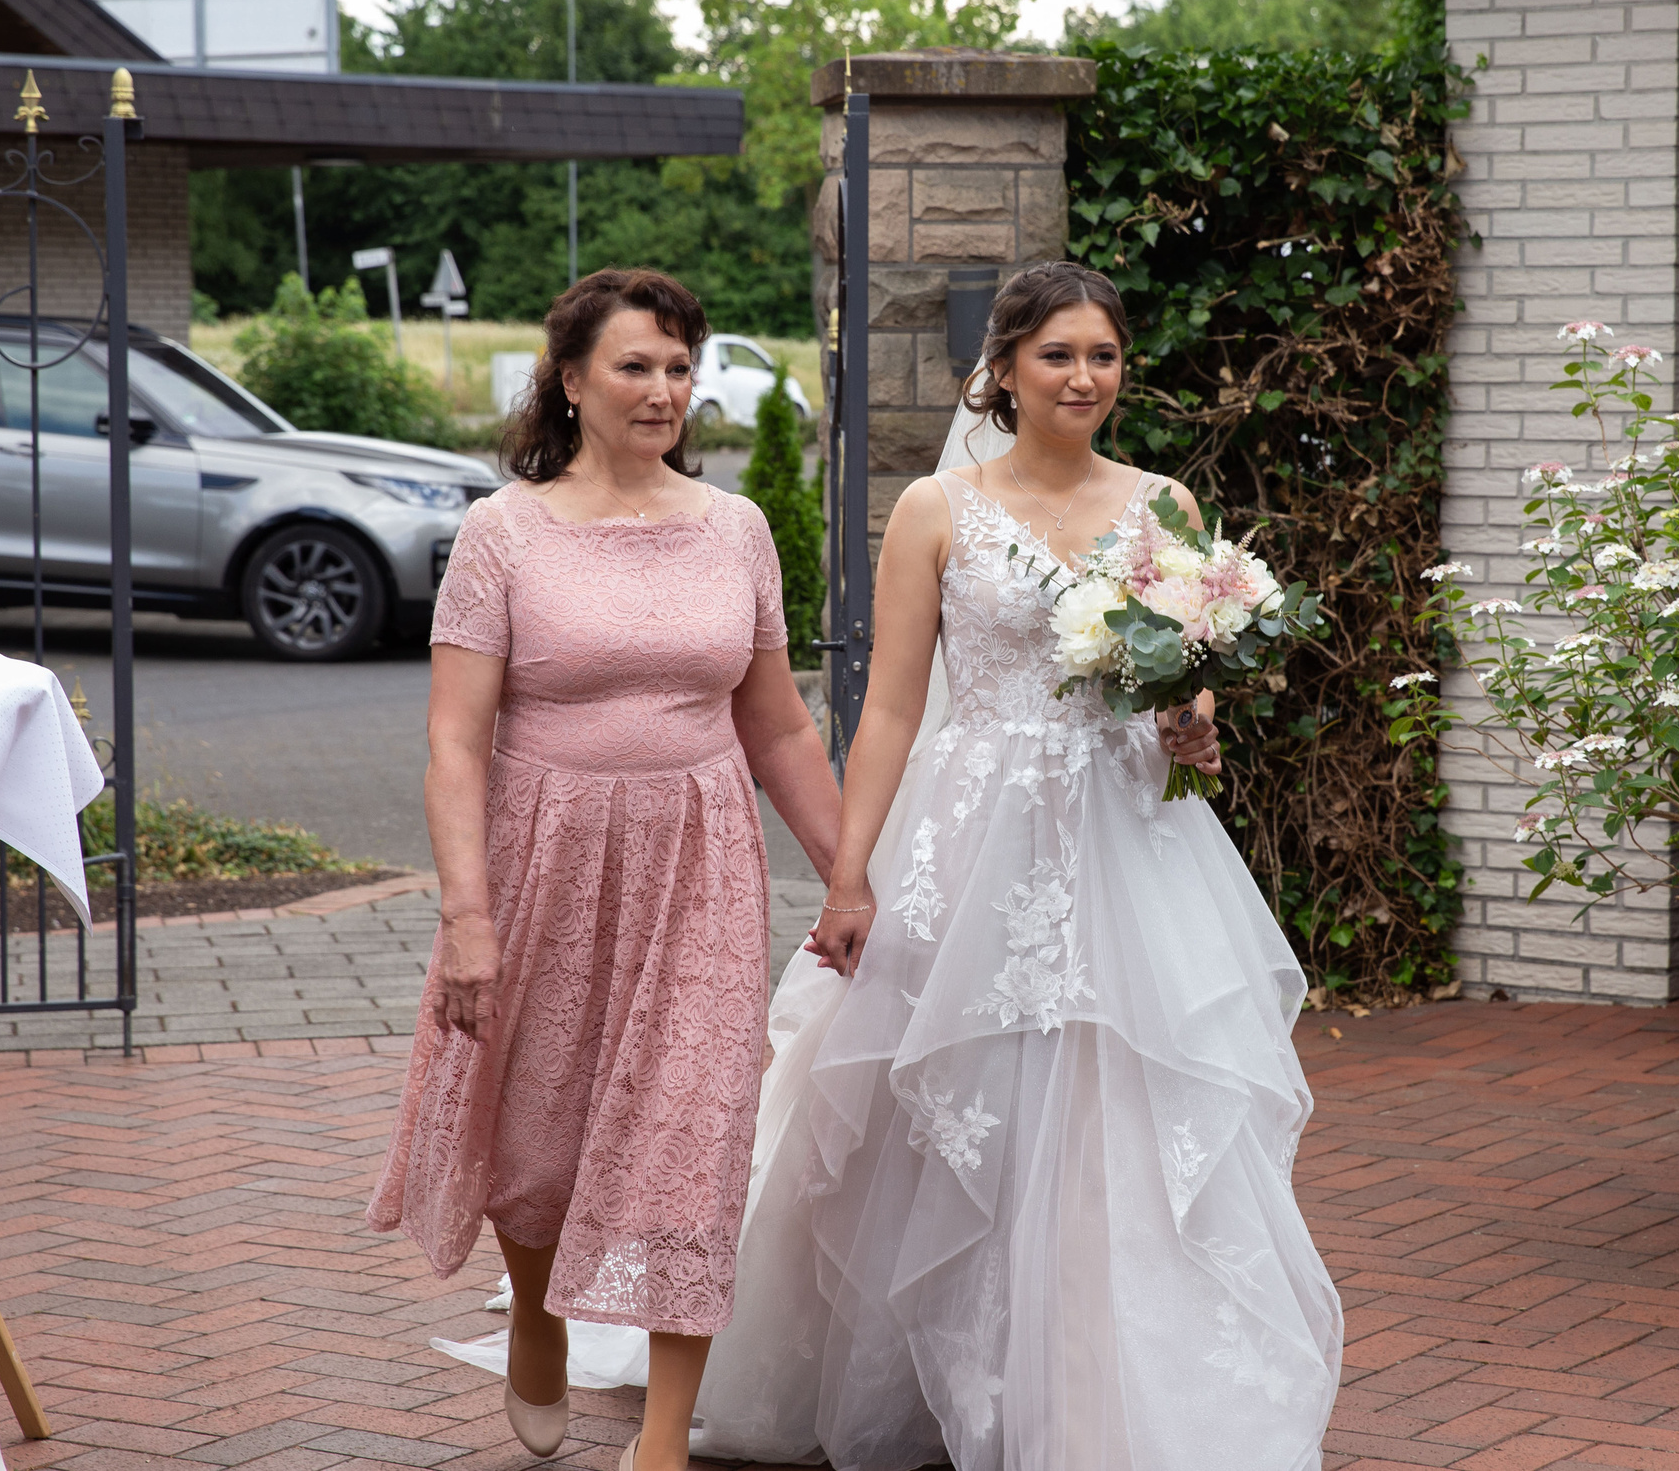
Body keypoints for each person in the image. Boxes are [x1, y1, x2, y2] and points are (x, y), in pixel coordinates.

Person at [644, 259, 1343, 1469]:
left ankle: (1107, 1386)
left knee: (1120, 1093)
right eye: (1058, 354)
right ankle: (946, 1373)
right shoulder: (937, 510)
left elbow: (1183, 686)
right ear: (1005, 370)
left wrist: (1194, 724)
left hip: (1130, 835)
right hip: (970, 838)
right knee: (954, 1097)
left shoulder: (1165, 505)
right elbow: (893, 713)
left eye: (1104, 356)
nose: (1084, 377)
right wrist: (849, 875)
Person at [366, 268, 840, 1471]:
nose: (664, 389)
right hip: (545, 864)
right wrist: (466, 917)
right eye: (635, 366)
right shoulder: (503, 532)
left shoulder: (736, 528)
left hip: (700, 869)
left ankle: (663, 1445)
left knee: (696, 1131)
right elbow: (453, 741)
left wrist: (849, 876)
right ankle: (537, 1311)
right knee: (537, 1143)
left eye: (681, 367)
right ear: (570, 380)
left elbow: (778, 726)